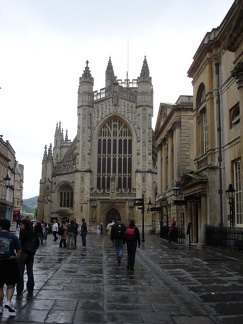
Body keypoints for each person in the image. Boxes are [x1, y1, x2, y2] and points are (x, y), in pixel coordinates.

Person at [0, 219, 22, 316]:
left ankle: (0, 307)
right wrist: (16, 261)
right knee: (10, 285)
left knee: (0, 286)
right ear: (9, 226)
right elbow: (20, 250)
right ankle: (8, 302)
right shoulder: (13, 237)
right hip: (10, 262)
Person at [17, 218, 39, 297]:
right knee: (30, 271)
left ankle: (19, 289)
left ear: (25, 225)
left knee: (20, 272)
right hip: (31, 254)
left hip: (23, 253)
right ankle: (30, 288)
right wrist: (33, 250)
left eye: (21, 224)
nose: (20, 226)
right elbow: (37, 242)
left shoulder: (22, 232)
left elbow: (20, 243)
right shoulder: (33, 232)